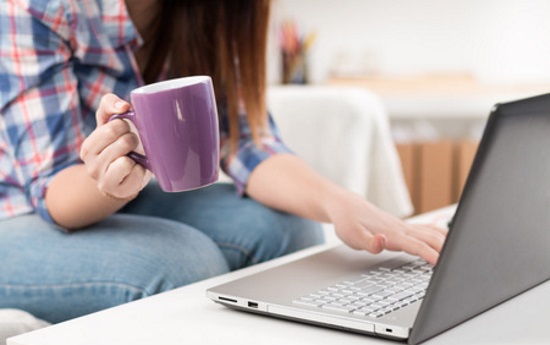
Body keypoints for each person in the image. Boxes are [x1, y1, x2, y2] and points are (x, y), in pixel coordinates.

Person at [0, 0, 446, 324]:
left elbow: (248, 143)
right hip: (23, 212)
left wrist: (340, 203)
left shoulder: (209, 11)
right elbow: (54, 194)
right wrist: (107, 179)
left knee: (288, 228)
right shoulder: (38, 8)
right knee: (183, 264)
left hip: (122, 199)